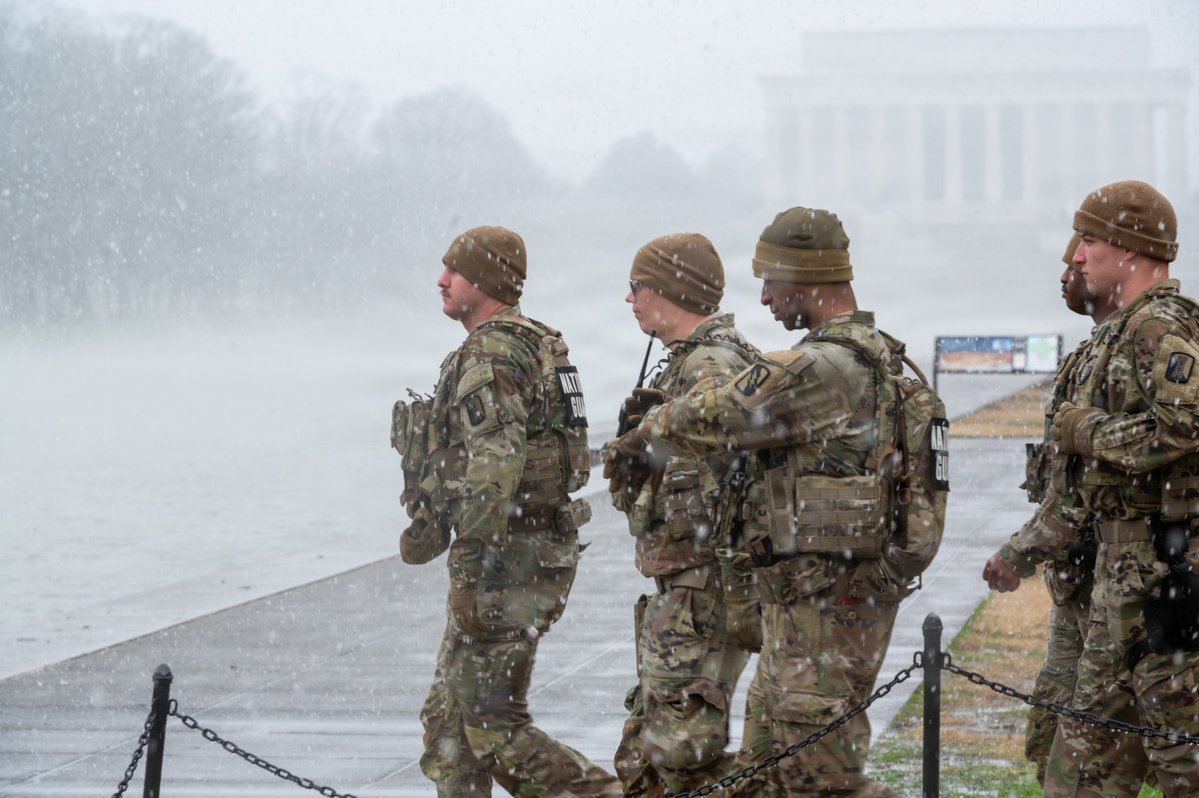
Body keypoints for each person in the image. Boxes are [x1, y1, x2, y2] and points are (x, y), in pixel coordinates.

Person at [606, 207, 947, 796]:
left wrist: (648, 430)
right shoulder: (869, 357)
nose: (763, 297)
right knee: (768, 779)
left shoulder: (825, 366)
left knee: (816, 780)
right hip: (808, 606)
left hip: (824, 611)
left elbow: (725, 409)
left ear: (808, 274)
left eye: (773, 280)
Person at [395, 225, 620, 798]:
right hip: (517, 551)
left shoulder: (494, 351)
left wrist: (467, 567)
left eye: (455, 271)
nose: (441, 280)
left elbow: (496, 466)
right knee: (449, 730)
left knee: (494, 731)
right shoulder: (534, 342)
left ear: (486, 281)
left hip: (504, 563)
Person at [1042, 180, 1199, 798]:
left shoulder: (1156, 328)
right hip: (1127, 574)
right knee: (1088, 765)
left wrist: (1088, 431)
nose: (1076, 257)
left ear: (1129, 250)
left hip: (1164, 576)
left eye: (1088, 241)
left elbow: (1187, 425)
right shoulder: (1127, 329)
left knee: (1177, 763)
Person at [981, 234, 1152, 789]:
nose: (1067, 273)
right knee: (1053, 733)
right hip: (1080, 585)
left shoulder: (1144, 340)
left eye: (1078, 262)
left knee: (1092, 758)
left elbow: (1090, 486)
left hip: (1125, 581)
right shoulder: (1091, 352)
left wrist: (1022, 551)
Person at [606, 233, 764, 796]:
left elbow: (729, 485)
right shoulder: (700, 363)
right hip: (692, 591)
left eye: (636, 287)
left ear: (668, 291)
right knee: (653, 756)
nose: (630, 300)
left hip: (703, 593)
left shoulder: (710, 366)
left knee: (679, 754)